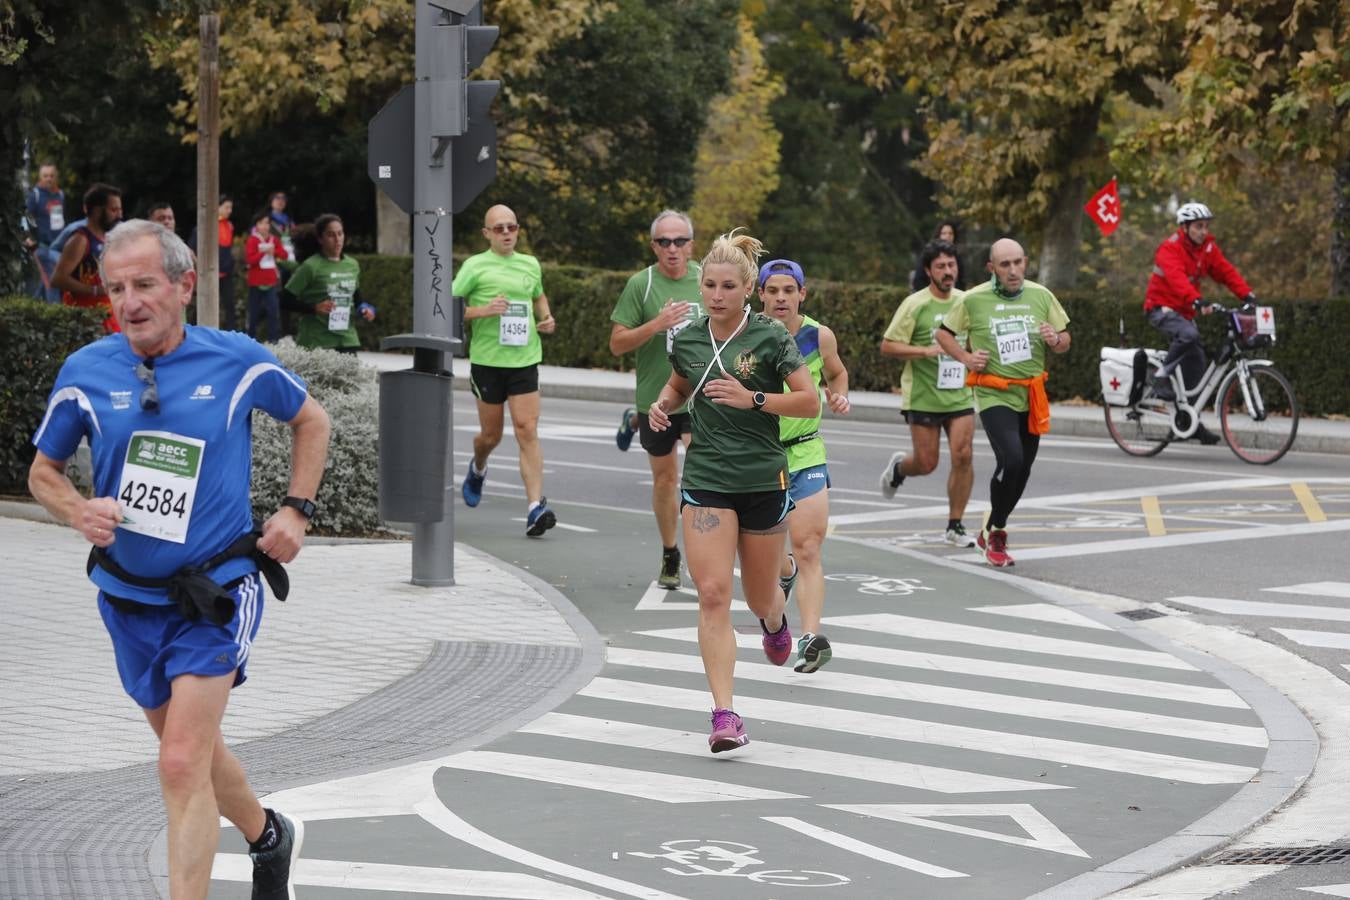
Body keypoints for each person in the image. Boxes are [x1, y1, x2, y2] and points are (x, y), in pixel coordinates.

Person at [27, 218, 331, 900]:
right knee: (193, 755)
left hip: (214, 591)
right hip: (128, 599)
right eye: (115, 289)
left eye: (144, 285)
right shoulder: (86, 372)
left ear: (184, 285)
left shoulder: (235, 360)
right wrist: (77, 509)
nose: (129, 302)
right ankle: (269, 837)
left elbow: (312, 420)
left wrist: (295, 510)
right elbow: (43, 471)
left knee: (178, 761)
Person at [648, 229, 819, 752]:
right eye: (709, 285)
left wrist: (755, 399)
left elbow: (809, 401)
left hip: (764, 479)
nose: (717, 295)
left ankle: (773, 619)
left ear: (747, 288)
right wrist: (662, 404)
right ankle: (725, 714)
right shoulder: (691, 337)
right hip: (706, 482)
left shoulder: (770, 336)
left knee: (760, 595)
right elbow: (681, 384)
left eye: (727, 286)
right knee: (713, 594)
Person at [935, 238, 1070, 568]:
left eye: (1017, 263)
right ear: (991, 268)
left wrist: (1055, 340)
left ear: (1025, 262)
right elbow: (943, 334)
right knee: (1011, 458)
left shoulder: (1041, 296)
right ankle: (997, 533)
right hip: (994, 392)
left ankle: (993, 526)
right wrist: (967, 357)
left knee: (1022, 469)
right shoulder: (973, 299)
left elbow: (1065, 340)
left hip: (1031, 393)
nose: (1013, 270)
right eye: (1005, 265)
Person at [757, 258, 850, 674]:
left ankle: (810, 637)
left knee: (809, 544)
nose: (781, 298)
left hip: (806, 450)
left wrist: (838, 395)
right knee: (773, 553)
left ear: (801, 294)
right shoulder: (748, 334)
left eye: (788, 291)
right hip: (760, 454)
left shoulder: (818, 335)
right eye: (772, 291)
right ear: (760, 295)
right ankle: (786, 571)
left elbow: (837, 373)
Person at [608, 210, 703, 587]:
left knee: (699, 476)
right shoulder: (641, 285)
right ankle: (670, 551)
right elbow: (616, 344)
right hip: (657, 400)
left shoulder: (707, 281)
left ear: (692, 244)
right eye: (664, 242)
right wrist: (655, 325)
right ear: (654, 246)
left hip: (699, 400)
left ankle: (700, 552)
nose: (673, 249)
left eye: (680, 241)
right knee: (666, 480)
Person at [454, 204, 559, 538]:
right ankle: (478, 466)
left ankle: (534, 508)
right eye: (498, 228)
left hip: (525, 359)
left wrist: (546, 318)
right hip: (487, 362)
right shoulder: (474, 266)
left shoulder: (529, 264)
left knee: (527, 430)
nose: (506, 233)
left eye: (511, 227)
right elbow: (446, 310)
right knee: (491, 436)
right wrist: (486, 310)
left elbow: (538, 297)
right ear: (486, 233)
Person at [879, 239, 978, 547]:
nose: (948, 272)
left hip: (960, 394)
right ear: (928, 270)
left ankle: (955, 524)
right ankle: (899, 468)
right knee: (926, 463)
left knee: (963, 455)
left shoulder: (967, 301)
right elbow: (888, 345)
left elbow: (977, 339)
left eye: (952, 265)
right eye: (940, 267)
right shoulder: (915, 304)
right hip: (924, 395)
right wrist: (924, 351)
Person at [1143, 201, 1255, 445]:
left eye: (1205, 226)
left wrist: (1247, 295)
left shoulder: (1207, 248)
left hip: (1184, 312)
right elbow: (1177, 279)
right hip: (1160, 308)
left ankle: (1187, 421)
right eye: (1198, 226)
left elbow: (1226, 272)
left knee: (1197, 363)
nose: (1203, 231)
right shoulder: (1169, 249)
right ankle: (1160, 376)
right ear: (1184, 227)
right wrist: (1197, 300)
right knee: (1189, 336)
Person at [282, 213, 375, 353]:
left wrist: (366, 309)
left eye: (340, 233)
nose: (337, 239)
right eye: (331, 235)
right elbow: (284, 300)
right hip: (317, 342)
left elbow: (356, 299)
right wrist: (314, 308)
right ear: (320, 239)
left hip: (347, 340)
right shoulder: (311, 266)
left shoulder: (352, 265)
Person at [52, 182, 123, 333]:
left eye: (119, 209)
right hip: (85, 323)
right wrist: (95, 290)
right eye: (114, 209)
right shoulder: (80, 239)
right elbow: (58, 279)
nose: (120, 215)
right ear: (97, 211)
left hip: (108, 320)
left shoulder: (110, 238)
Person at [188, 194, 240, 331]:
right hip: (209, 273)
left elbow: (227, 249)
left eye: (231, 207)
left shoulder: (229, 225)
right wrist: (200, 267)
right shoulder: (205, 225)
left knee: (230, 305)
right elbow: (192, 248)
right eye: (227, 207)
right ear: (217, 207)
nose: (229, 210)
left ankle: (232, 335)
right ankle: (191, 330)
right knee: (202, 304)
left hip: (225, 273)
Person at [245, 207, 289, 342]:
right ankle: (250, 340)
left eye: (267, 223)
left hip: (271, 282)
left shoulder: (274, 240)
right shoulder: (252, 240)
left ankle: (273, 341)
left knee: (273, 312)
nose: (265, 226)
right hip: (255, 282)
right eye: (262, 223)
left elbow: (285, 255)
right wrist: (263, 252)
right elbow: (249, 260)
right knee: (254, 313)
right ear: (256, 225)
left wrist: (274, 252)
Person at [23, 161, 65, 302]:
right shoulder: (35, 195)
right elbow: (25, 217)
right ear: (40, 177)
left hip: (59, 246)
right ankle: (56, 313)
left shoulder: (60, 194)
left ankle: (31, 309)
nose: (49, 178)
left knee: (47, 281)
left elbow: (59, 220)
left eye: (52, 175)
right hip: (42, 246)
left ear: (56, 177)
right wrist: (28, 237)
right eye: (45, 175)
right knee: (53, 281)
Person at [912, 221, 964, 291]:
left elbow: (961, 281)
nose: (947, 236)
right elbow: (919, 280)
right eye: (944, 233)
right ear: (938, 235)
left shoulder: (957, 257)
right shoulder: (929, 254)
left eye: (950, 233)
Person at [268, 191, 296, 269]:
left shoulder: (289, 220)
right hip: (272, 257)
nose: (281, 201)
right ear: (271, 202)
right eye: (277, 198)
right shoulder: (265, 219)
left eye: (283, 199)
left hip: (290, 257)